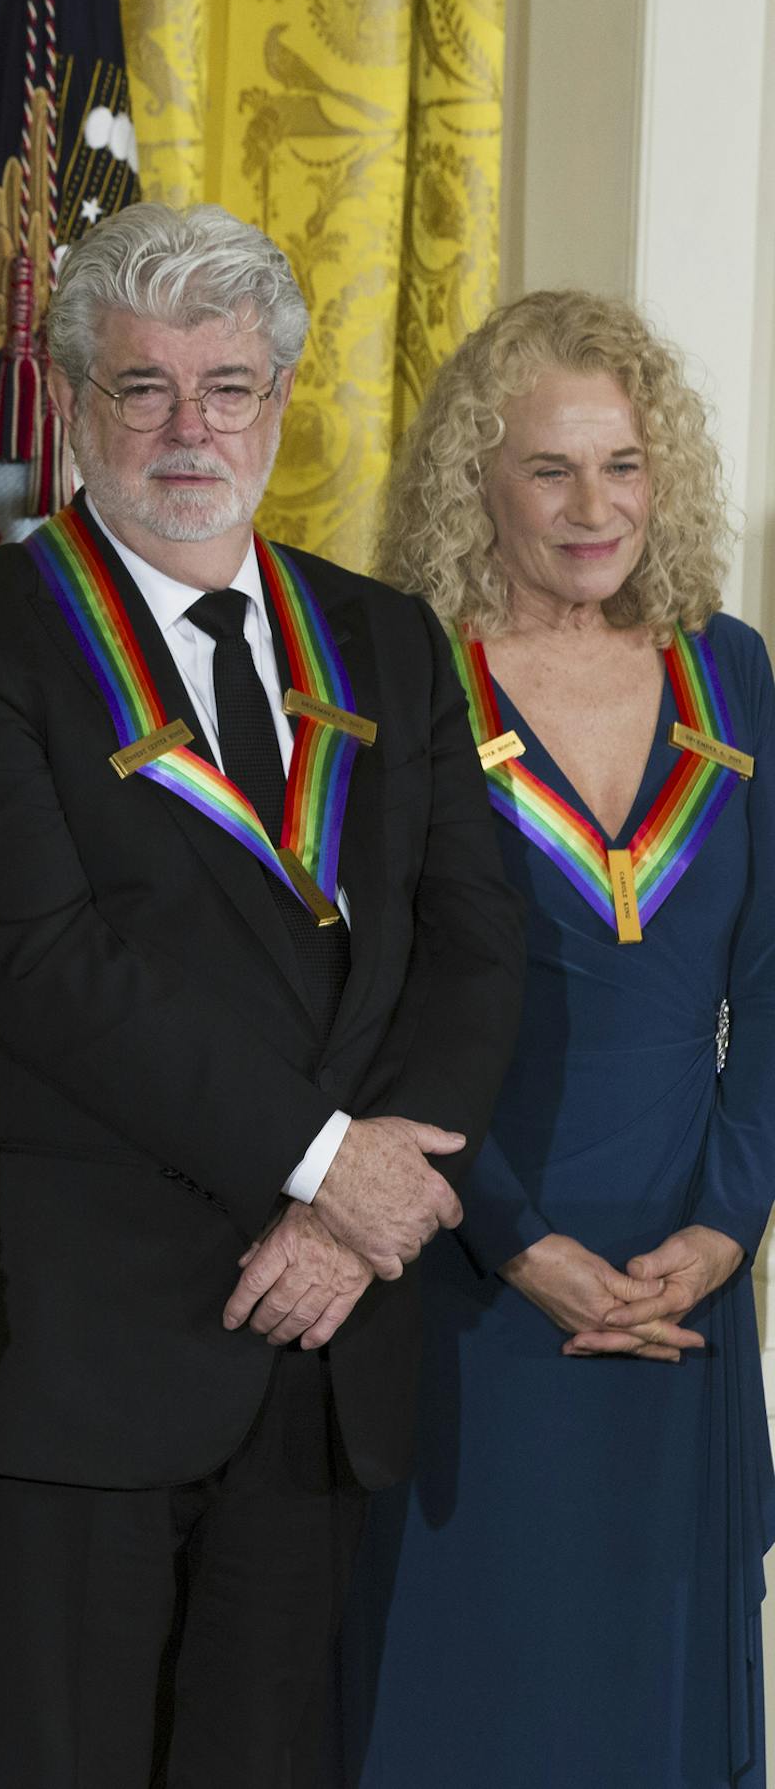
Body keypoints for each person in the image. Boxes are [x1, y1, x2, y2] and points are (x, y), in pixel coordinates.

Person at [0, 202, 525, 1789]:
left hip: (321, 1352)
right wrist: (326, 1162)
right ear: (75, 409)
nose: (189, 428)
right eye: (142, 387)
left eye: (227, 385)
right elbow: (42, 960)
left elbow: (476, 936)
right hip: (70, 1369)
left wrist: (356, 1206)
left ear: (281, 403)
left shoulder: (383, 635)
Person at [337, 290, 775, 1786]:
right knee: (469, 1698)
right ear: (480, 481)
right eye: (551, 470)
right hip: (473, 1274)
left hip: (681, 1283)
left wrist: (726, 1225)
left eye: (626, 466)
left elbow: (774, 988)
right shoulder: (405, 685)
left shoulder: (733, 671)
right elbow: (375, 1008)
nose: (597, 508)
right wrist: (513, 1241)